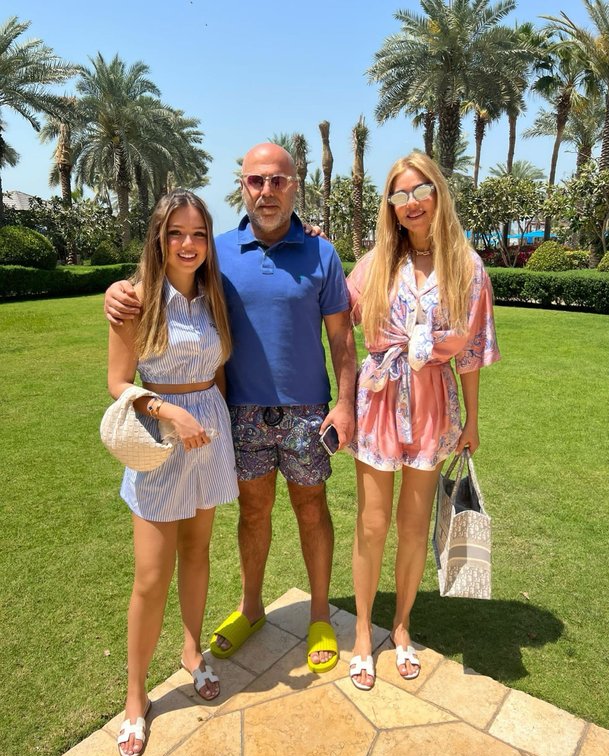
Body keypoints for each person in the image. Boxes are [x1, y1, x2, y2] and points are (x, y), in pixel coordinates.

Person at [105, 143, 356, 674]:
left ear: (295, 186)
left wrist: (346, 402)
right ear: (242, 186)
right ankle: (252, 607)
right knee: (252, 513)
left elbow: (341, 337)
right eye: (256, 181)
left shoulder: (322, 253)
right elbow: (162, 279)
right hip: (237, 411)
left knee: (312, 509)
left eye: (278, 180)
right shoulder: (215, 254)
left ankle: (319, 615)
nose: (267, 191)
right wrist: (117, 291)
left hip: (307, 411)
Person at [346, 151, 500, 691]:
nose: (411, 204)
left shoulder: (467, 268)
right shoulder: (374, 265)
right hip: (380, 402)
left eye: (420, 191)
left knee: (413, 528)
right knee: (372, 524)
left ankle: (402, 627)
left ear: (438, 193)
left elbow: (471, 354)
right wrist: (312, 244)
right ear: (389, 205)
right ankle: (362, 633)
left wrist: (472, 421)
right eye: (400, 195)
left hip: (434, 404)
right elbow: (331, 311)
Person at [108, 190, 238, 756]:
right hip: (160, 440)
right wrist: (169, 411)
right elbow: (118, 382)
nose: (188, 244)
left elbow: (219, 370)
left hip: (208, 436)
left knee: (198, 553)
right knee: (150, 575)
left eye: (198, 234)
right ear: (159, 239)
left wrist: (208, 419)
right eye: (176, 233)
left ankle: (191, 651)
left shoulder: (214, 296)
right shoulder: (135, 299)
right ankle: (135, 697)